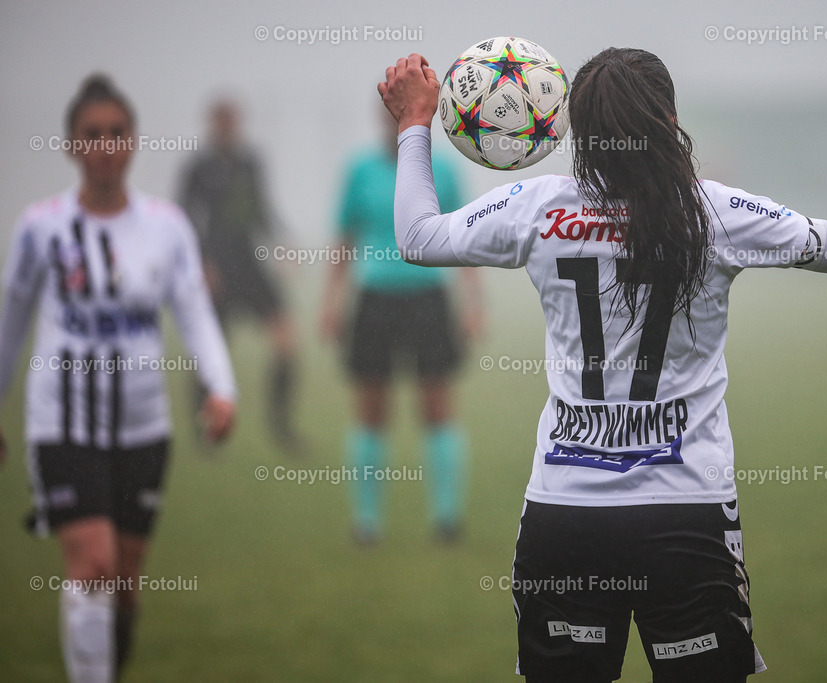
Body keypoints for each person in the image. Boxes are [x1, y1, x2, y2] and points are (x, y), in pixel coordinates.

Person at [378, 49, 827, 681]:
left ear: (570, 126)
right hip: (686, 514)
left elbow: (417, 237)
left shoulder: (537, 206)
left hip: (566, 513)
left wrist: (415, 124)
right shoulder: (714, 212)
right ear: (668, 117)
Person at [0, 74, 236, 682]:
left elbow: (193, 311)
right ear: (71, 145)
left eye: (117, 133)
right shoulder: (40, 227)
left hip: (143, 428)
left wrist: (221, 388)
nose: (105, 144)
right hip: (62, 424)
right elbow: (12, 320)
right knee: (93, 567)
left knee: (124, 586)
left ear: (133, 142)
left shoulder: (165, 226)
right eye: (92, 134)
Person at [320, 108, 482, 545]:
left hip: (428, 296)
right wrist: (331, 303)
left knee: (437, 405)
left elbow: (463, 237)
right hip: (374, 299)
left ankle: (447, 519)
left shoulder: (442, 169)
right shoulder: (359, 171)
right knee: (372, 409)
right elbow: (344, 238)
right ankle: (366, 523)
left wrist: (474, 303)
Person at [178, 98, 303, 449]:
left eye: (233, 120)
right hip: (215, 268)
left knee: (286, 341)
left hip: (249, 264)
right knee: (211, 351)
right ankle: (203, 428)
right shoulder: (198, 168)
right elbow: (184, 218)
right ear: (212, 124)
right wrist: (199, 261)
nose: (228, 127)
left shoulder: (251, 161)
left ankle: (282, 428)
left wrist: (282, 241)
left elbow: (262, 209)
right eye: (221, 121)